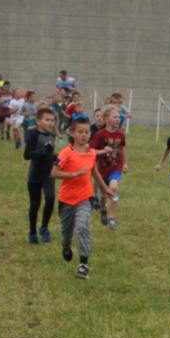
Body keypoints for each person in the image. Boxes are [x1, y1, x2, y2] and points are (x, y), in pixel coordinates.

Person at [50, 116, 111, 279]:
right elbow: (54, 173)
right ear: (72, 133)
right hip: (66, 200)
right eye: (80, 132)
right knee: (66, 233)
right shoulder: (66, 153)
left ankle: (83, 264)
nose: (84, 135)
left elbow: (94, 172)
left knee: (82, 227)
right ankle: (66, 246)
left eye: (87, 132)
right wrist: (75, 174)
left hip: (85, 198)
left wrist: (105, 189)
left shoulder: (91, 153)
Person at [23, 106, 59, 245]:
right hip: (35, 175)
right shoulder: (34, 135)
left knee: (50, 199)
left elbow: (49, 154)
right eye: (47, 120)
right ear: (38, 121)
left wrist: (56, 158)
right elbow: (27, 155)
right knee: (35, 204)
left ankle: (44, 227)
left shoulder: (52, 135)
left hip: (48, 174)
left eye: (52, 120)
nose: (51, 123)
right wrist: (42, 151)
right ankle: (32, 231)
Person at [90, 107, 127, 230]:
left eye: (119, 117)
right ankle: (103, 209)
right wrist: (103, 151)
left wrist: (125, 163)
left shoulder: (120, 134)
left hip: (116, 167)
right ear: (106, 119)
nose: (118, 119)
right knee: (103, 196)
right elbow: (92, 151)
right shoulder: (100, 134)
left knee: (113, 188)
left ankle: (112, 218)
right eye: (115, 117)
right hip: (102, 169)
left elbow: (122, 149)